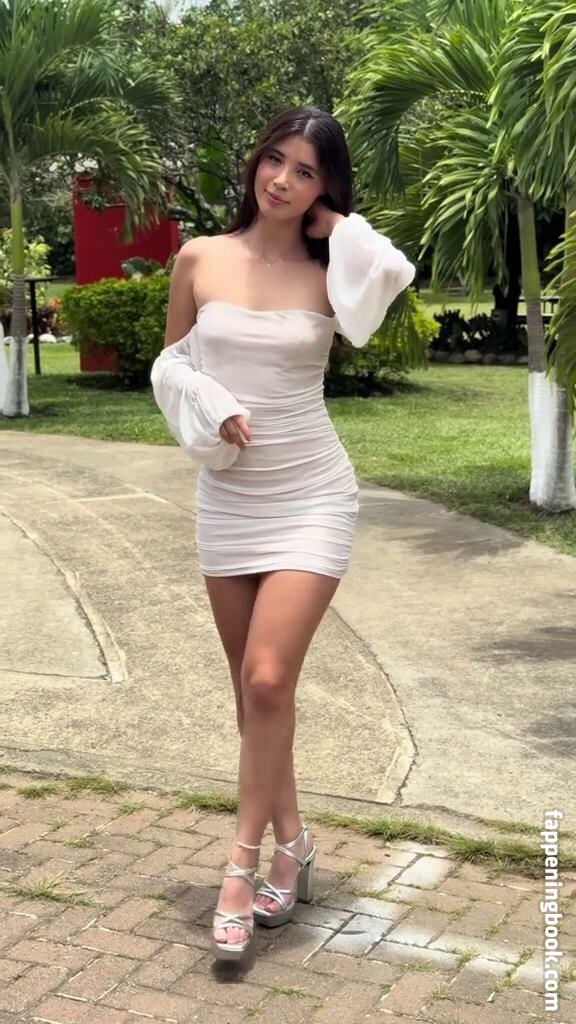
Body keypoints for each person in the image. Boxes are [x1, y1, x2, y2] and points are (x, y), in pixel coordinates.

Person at [150, 105, 415, 962]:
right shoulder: (200, 257)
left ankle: (240, 867)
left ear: (326, 188)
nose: (282, 181)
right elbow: (170, 365)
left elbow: (393, 268)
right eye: (276, 160)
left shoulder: (333, 268)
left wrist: (334, 224)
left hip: (311, 494)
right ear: (254, 161)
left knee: (268, 678)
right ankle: (293, 844)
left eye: (307, 171)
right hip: (229, 497)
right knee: (255, 696)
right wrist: (211, 400)